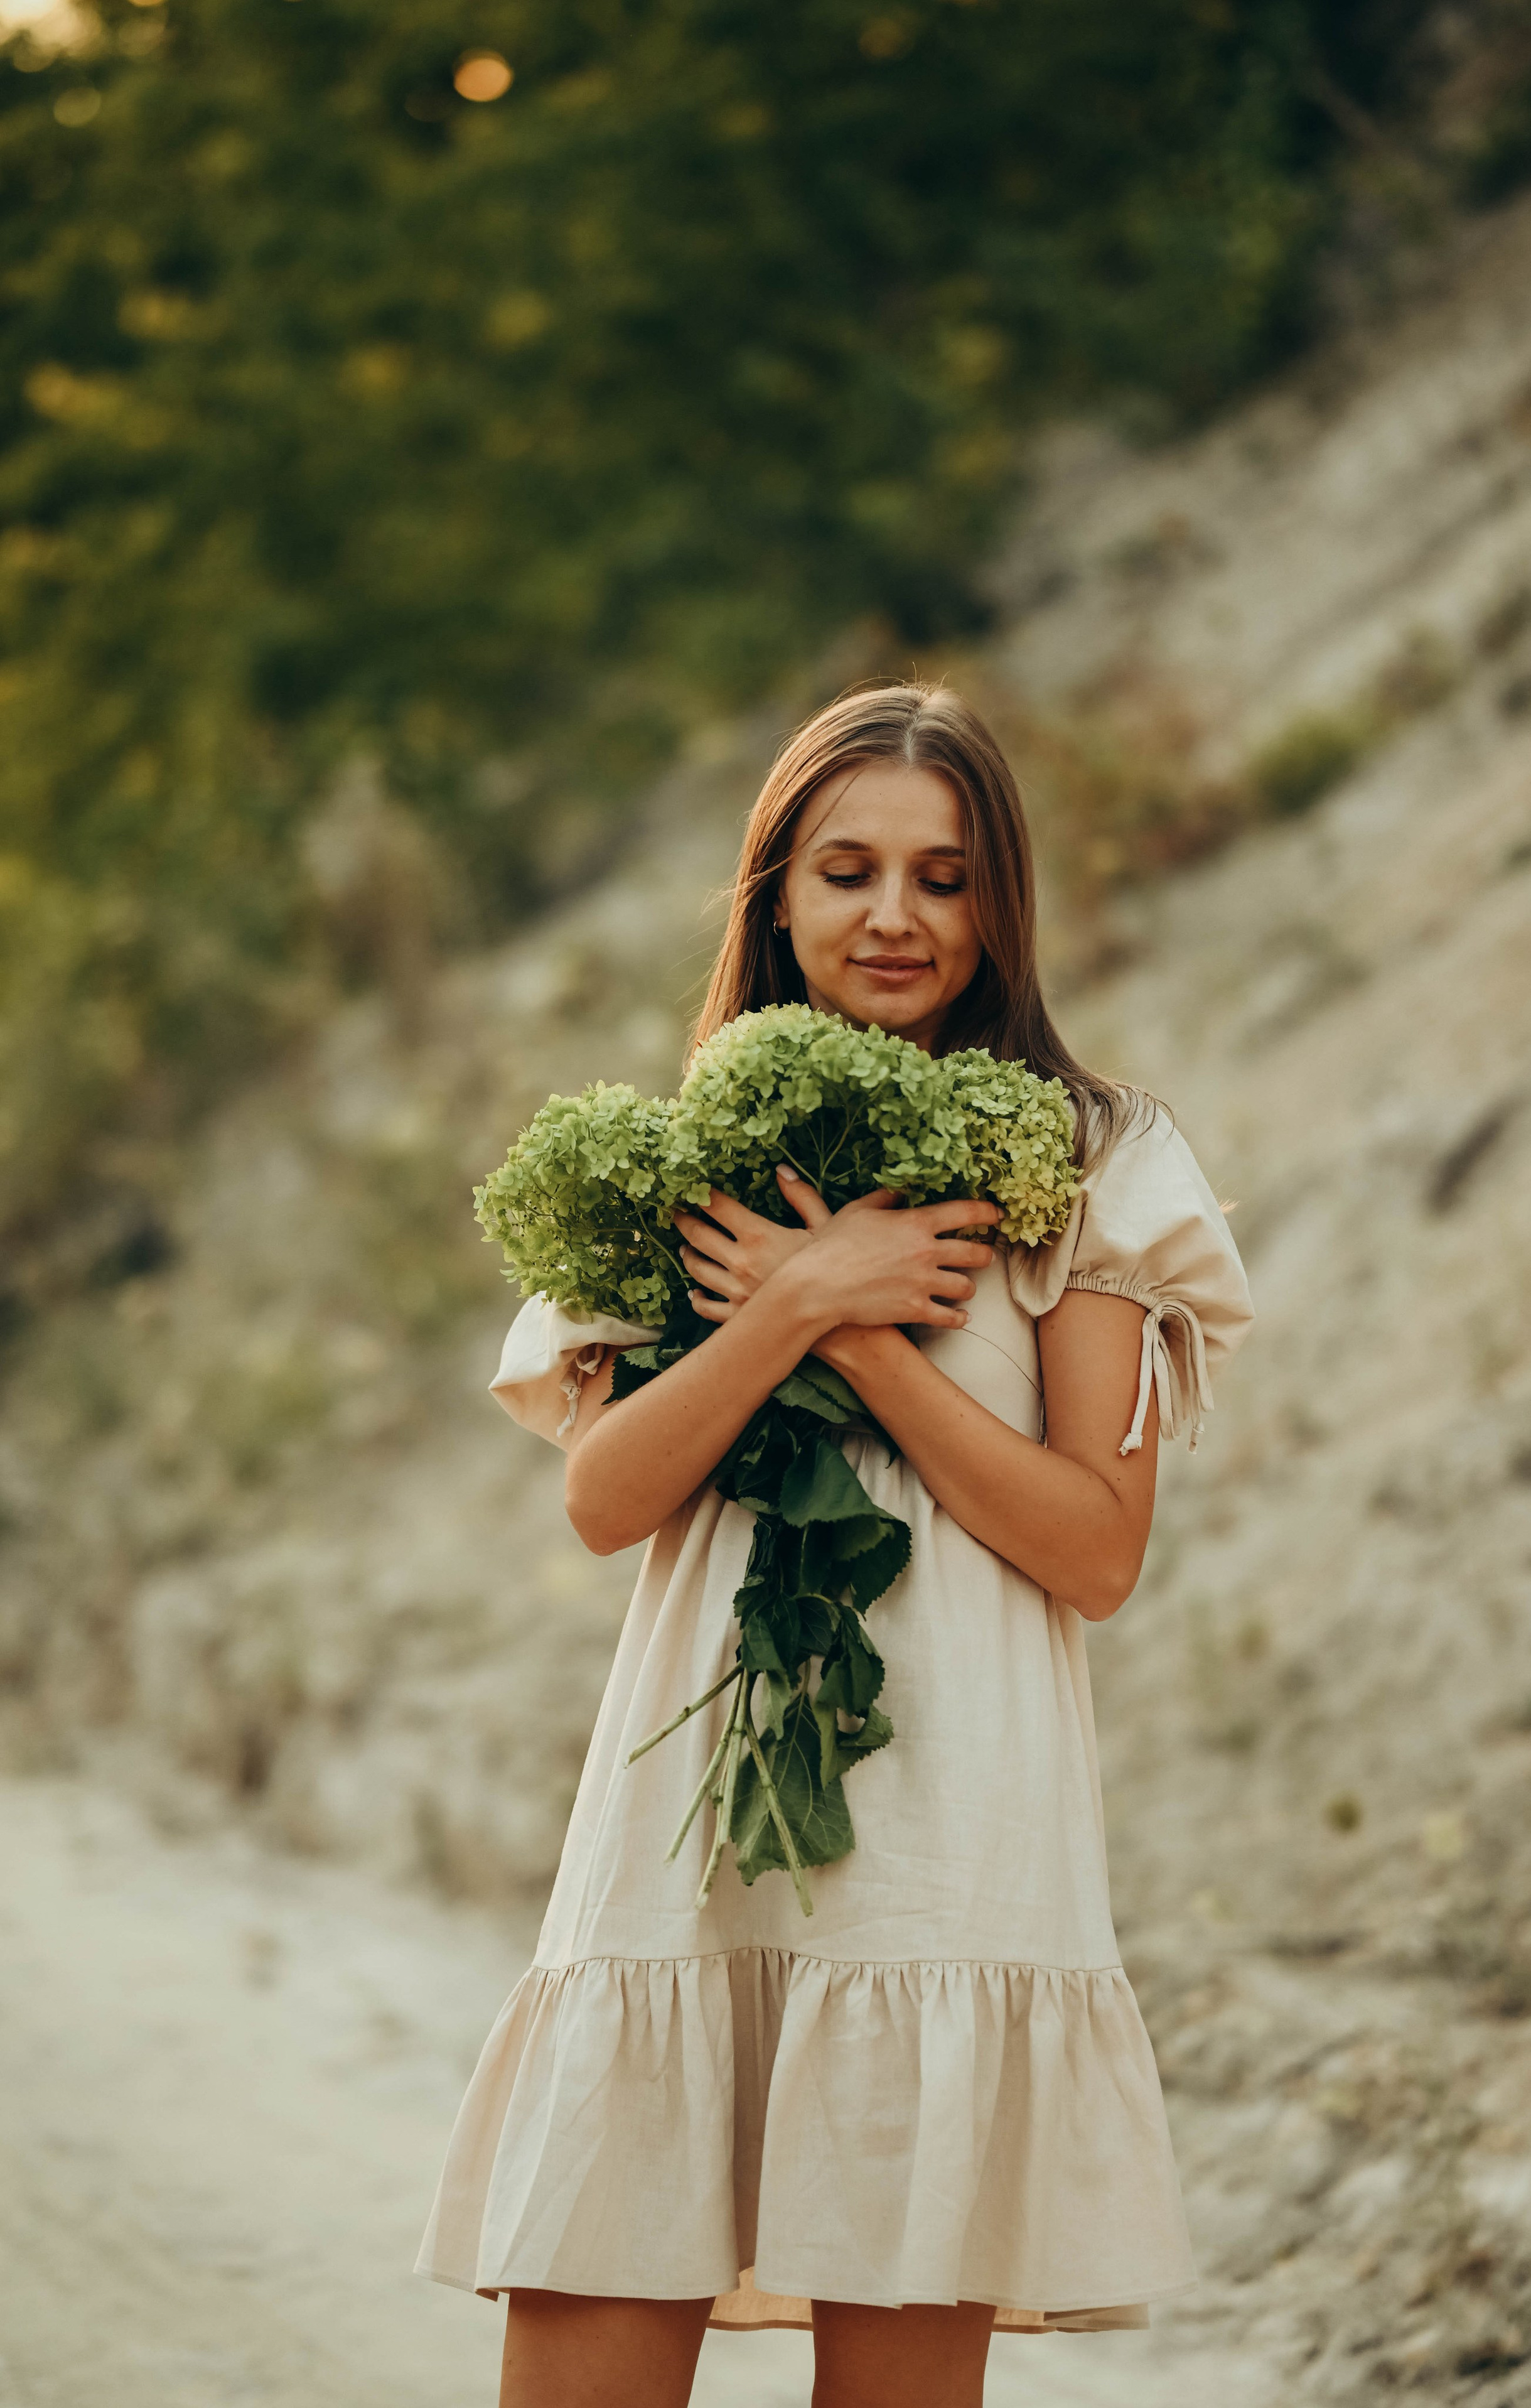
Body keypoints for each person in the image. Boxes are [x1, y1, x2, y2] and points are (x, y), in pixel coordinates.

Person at [417, 683, 1254, 2408]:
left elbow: (1096, 1548)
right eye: (848, 868)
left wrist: (872, 1342)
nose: (894, 916)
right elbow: (604, 1495)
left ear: (998, 902)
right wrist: (795, 1291)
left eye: (943, 877)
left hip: (948, 1856)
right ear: (774, 896)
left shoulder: (1093, 1164)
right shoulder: (682, 1156)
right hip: (680, 1852)